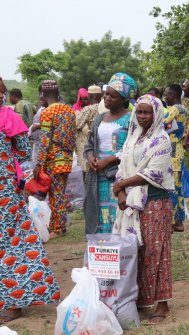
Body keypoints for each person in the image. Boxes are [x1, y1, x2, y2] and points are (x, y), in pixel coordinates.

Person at [112, 94, 174, 325]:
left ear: (156, 114)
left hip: (155, 203)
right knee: (133, 252)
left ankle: (162, 305)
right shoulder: (132, 138)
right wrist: (120, 193)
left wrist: (122, 185)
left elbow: (153, 174)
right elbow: (122, 168)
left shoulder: (162, 140)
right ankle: (137, 299)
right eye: (139, 112)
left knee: (155, 253)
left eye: (147, 112)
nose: (142, 116)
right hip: (130, 203)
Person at [0, 106, 61, 323]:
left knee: (11, 243)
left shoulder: (6, 116)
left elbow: (25, 151)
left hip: (4, 191)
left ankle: (14, 302)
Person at [83, 75, 135, 235]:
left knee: (118, 214)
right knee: (99, 213)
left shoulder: (131, 119)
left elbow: (132, 147)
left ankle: (121, 253)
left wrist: (109, 160)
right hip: (97, 175)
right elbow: (90, 143)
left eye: (113, 96)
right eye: (106, 94)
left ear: (124, 99)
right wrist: (91, 157)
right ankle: (102, 252)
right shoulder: (99, 118)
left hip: (119, 175)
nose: (107, 98)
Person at [34, 80, 76, 239]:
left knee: (56, 195)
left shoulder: (47, 113)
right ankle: (54, 225)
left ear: (43, 94)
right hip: (66, 159)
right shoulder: (69, 110)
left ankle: (59, 228)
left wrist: (39, 163)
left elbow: (44, 141)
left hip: (53, 160)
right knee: (58, 193)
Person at [164, 84, 189, 233]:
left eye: (167, 94)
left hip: (172, 151)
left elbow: (162, 122)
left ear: (173, 95)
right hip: (178, 150)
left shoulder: (174, 109)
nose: (165, 97)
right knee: (177, 188)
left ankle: (172, 221)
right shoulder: (184, 109)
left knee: (171, 187)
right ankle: (178, 221)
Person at [75, 85, 103, 172]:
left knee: (87, 171)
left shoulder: (88, 109)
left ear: (89, 96)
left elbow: (76, 123)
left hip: (88, 145)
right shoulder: (105, 107)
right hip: (100, 143)